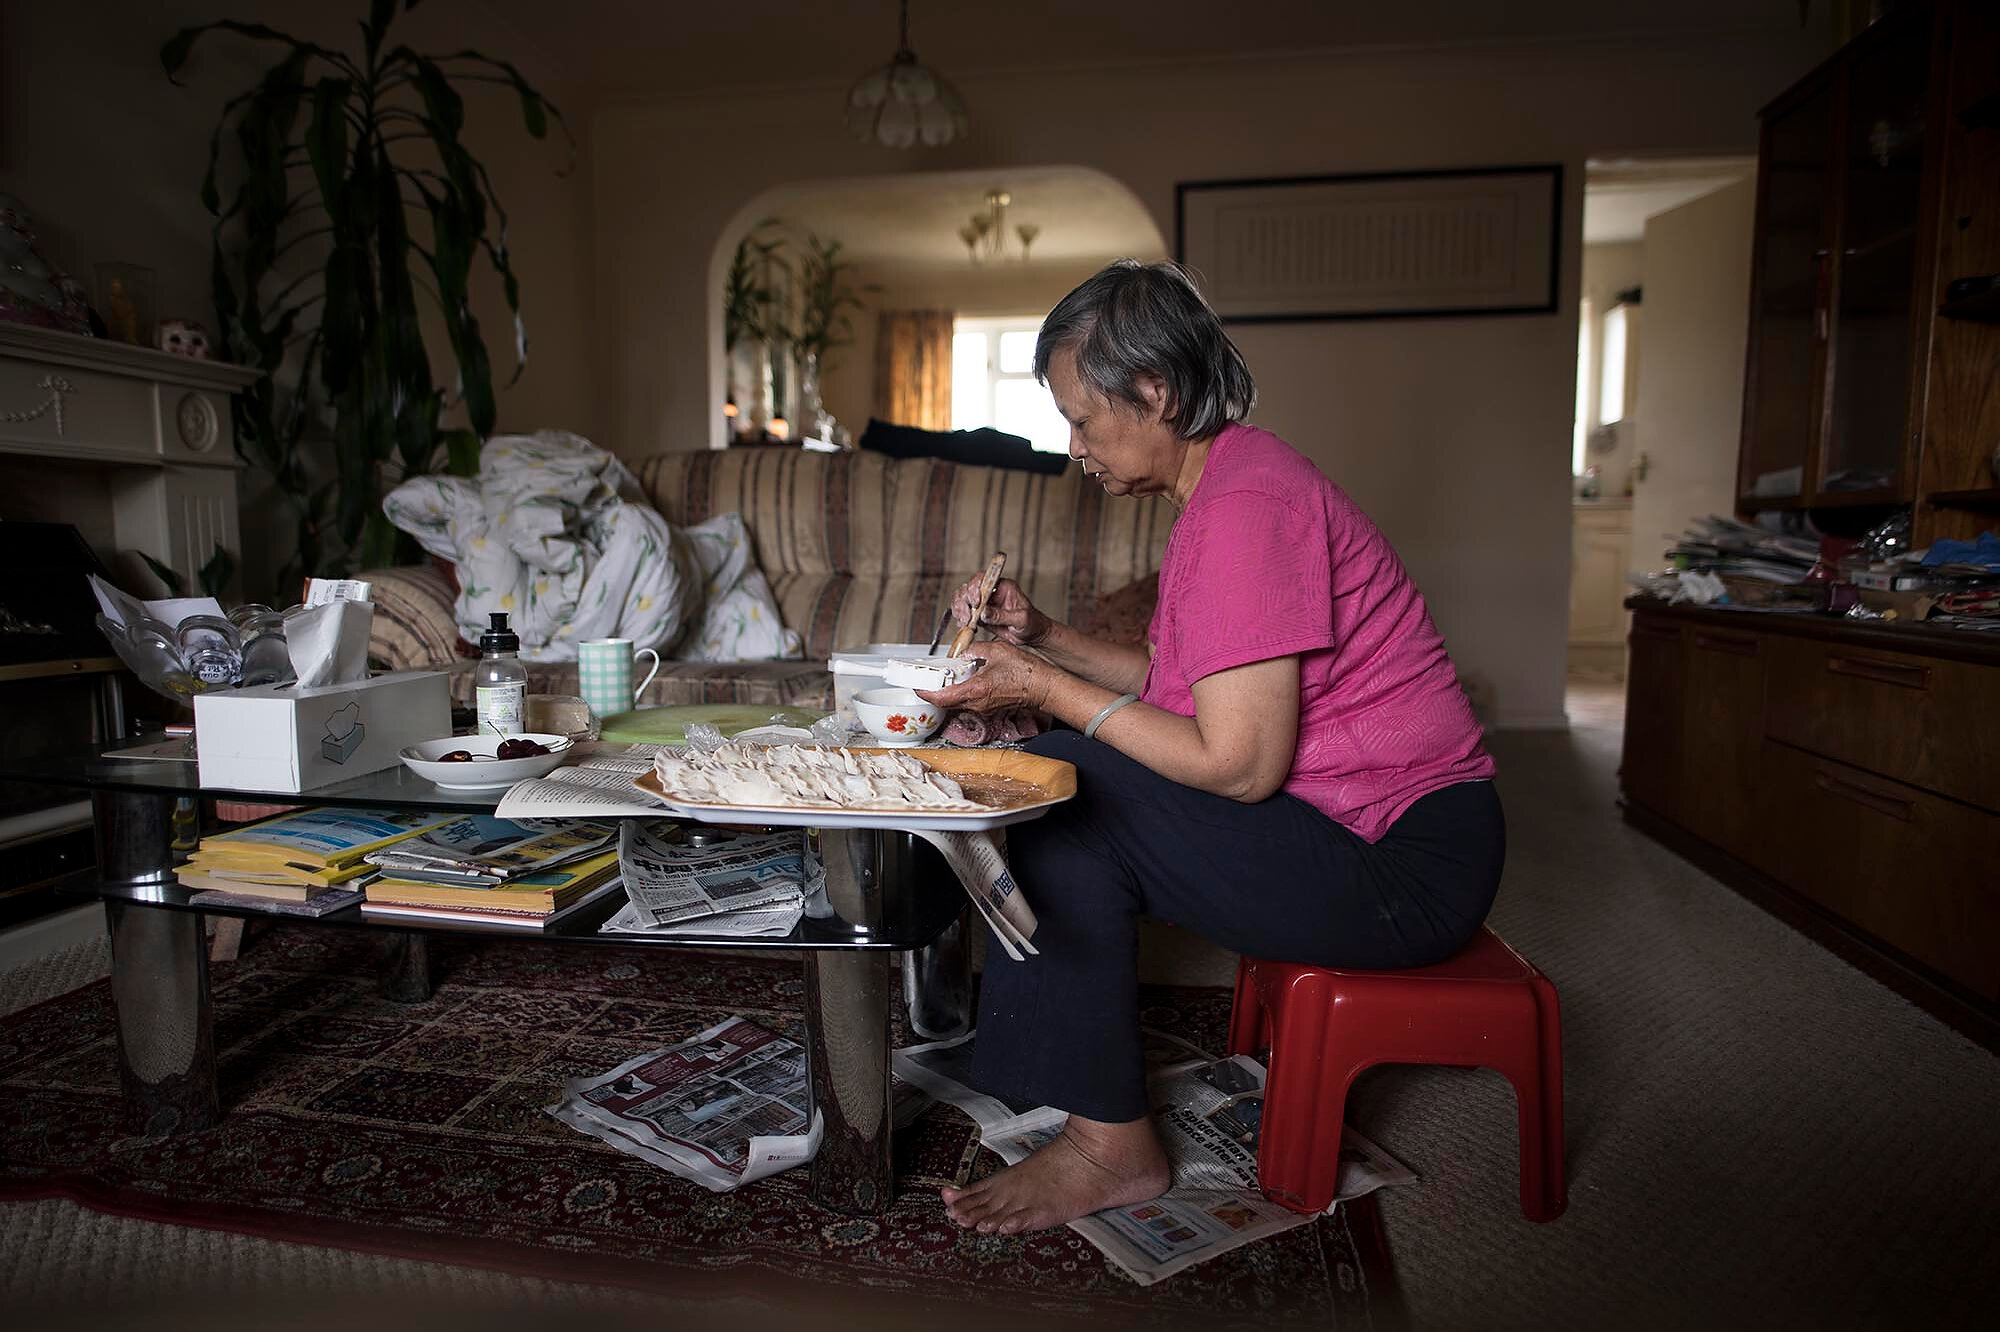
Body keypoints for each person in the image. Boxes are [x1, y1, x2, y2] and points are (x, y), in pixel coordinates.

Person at [916, 260, 1504, 1235]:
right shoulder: (1231, 484)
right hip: (1360, 830)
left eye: (1079, 418)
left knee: (1068, 792)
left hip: (1404, 865)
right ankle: (1086, 1107)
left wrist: (1046, 692)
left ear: (1153, 392)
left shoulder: (1245, 508)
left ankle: (1112, 1148)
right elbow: (1179, 686)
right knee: (1066, 766)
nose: (1073, 450)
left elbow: (1236, 764)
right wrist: (1045, 638)